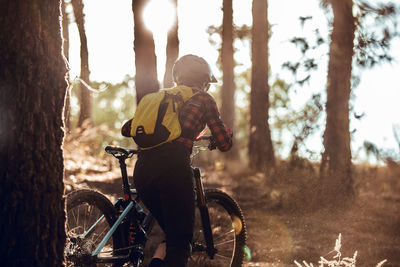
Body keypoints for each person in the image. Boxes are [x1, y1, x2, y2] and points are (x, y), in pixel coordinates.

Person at [121, 54, 232, 267]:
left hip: (143, 170)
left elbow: (127, 128)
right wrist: (224, 134)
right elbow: (224, 143)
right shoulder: (203, 99)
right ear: (204, 81)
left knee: (173, 233)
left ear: (177, 78)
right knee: (180, 240)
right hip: (173, 168)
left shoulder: (160, 98)